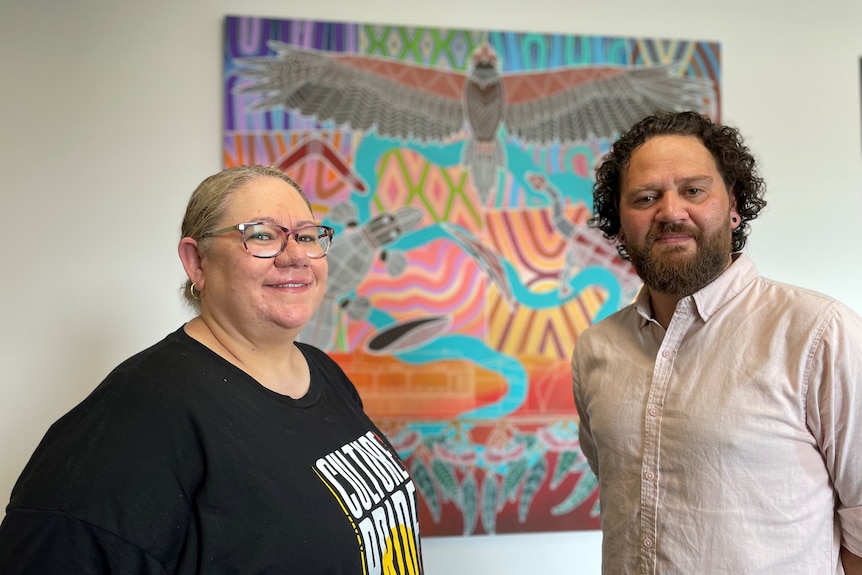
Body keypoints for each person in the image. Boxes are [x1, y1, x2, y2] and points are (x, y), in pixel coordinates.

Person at [0, 165, 424, 574]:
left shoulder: (325, 373)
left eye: (308, 236)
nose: (295, 256)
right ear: (197, 263)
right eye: (261, 236)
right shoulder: (138, 414)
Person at [572, 111, 862, 574]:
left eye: (693, 190)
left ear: (734, 204)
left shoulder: (819, 333)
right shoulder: (596, 349)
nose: (670, 212)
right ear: (620, 226)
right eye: (646, 197)